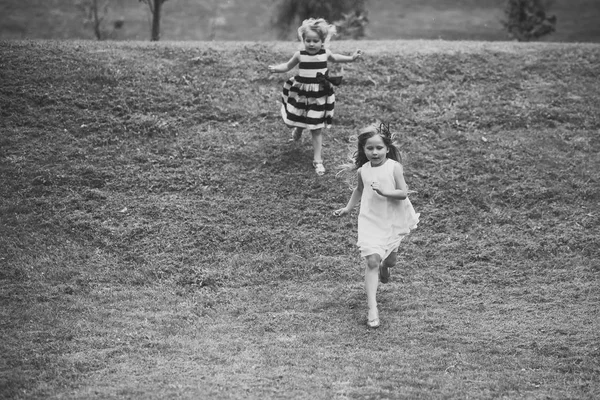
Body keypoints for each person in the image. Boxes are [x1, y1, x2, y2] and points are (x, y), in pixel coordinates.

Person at [334, 122, 420, 328]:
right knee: (371, 260)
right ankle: (372, 308)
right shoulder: (363, 170)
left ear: (387, 149)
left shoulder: (394, 167)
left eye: (379, 148)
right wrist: (347, 208)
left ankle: (385, 267)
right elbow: (359, 190)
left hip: (391, 218)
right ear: (363, 150)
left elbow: (402, 193)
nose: (374, 152)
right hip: (370, 218)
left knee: (390, 261)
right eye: (369, 148)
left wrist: (385, 192)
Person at [268, 18, 362, 176]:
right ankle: (298, 128)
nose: (311, 44)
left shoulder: (325, 53)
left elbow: (336, 57)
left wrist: (351, 58)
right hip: (301, 92)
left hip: (319, 94)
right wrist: (277, 69)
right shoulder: (299, 55)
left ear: (323, 41)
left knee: (316, 128)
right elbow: (287, 66)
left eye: (315, 41)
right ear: (303, 40)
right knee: (298, 117)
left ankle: (318, 160)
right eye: (308, 40)